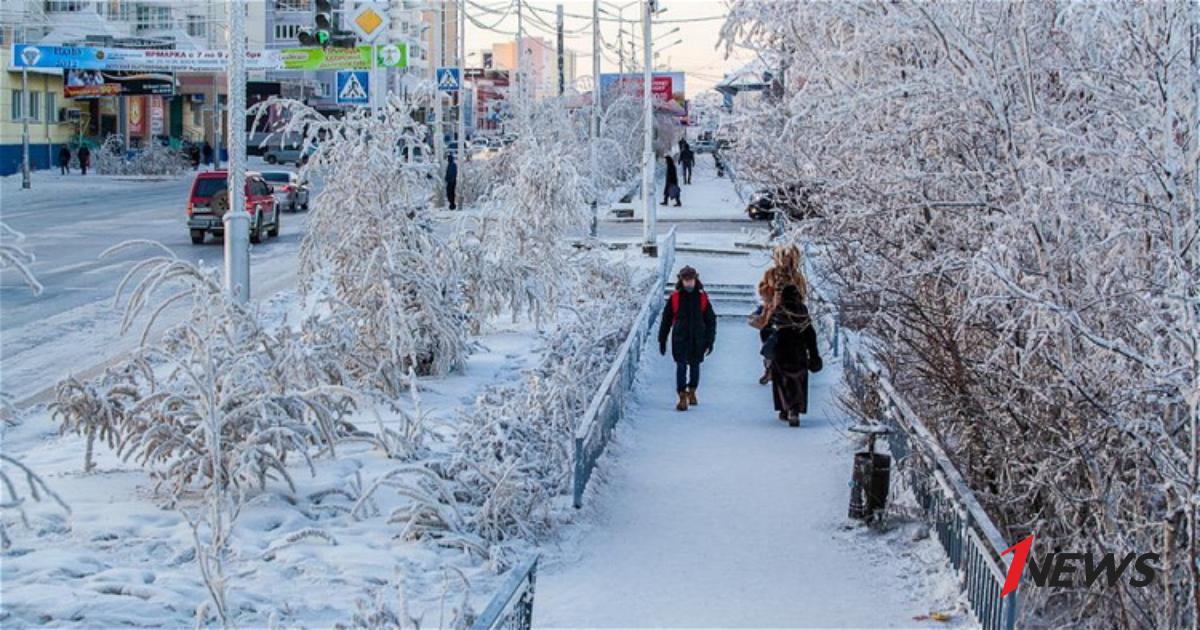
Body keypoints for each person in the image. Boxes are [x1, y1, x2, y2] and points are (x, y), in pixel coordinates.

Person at [658, 266, 717, 411]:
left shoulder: (702, 298)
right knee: (681, 366)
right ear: (681, 280)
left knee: (695, 366)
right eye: (686, 280)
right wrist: (662, 339)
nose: (689, 283)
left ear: (695, 279)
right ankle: (682, 396)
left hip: (698, 338)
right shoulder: (675, 298)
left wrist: (710, 340)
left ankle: (692, 391)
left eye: (691, 280)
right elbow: (666, 319)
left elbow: (710, 320)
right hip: (680, 337)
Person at [749, 244, 809, 384]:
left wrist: (791, 299)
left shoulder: (797, 277)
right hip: (771, 314)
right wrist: (772, 294)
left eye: (788, 258)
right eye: (784, 258)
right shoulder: (770, 273)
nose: (785, 261)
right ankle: (769, 369)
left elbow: (803, 293)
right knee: (768, 342)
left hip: (790, 316)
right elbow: (762, 289)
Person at [766, 284, 822, 427]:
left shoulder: (779, 311)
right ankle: (795, 409)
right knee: (798, 382)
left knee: (782, 382)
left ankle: (785, 409)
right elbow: (810, 334)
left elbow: (766, 331)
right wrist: (814, 355)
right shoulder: (802, 311)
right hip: (799, 353)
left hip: (781, 353)